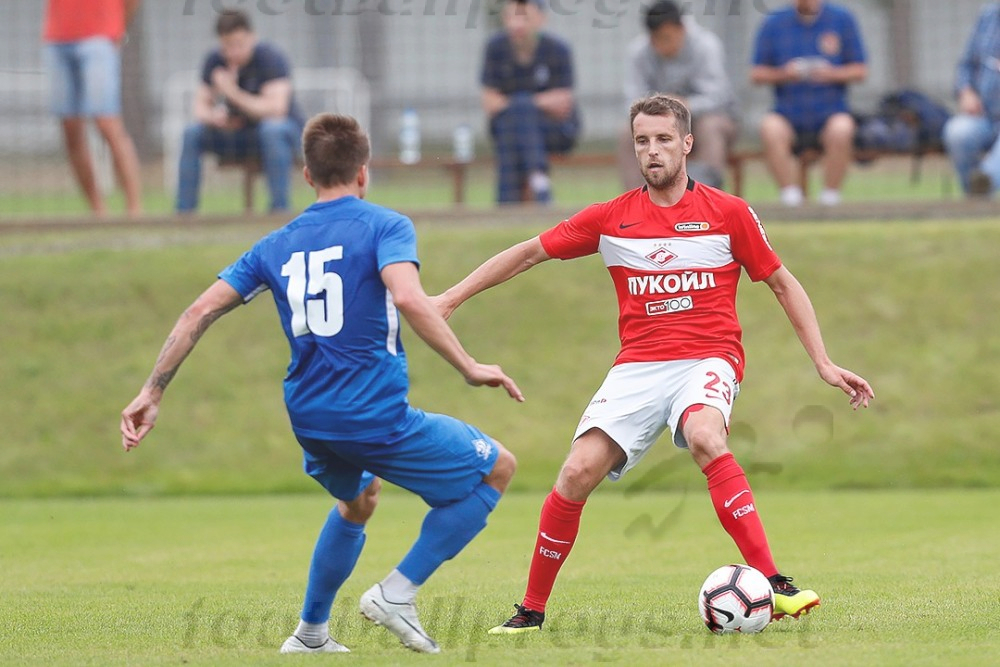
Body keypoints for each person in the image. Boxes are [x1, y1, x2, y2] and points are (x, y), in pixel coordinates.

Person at [433, 95, 874, 634]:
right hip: (638, 368)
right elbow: (528, 253)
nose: (652, 150)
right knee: (575, 473)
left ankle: (773, 582)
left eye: (664, 139)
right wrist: (449, 298)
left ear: (687, 144)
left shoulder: (728, 213)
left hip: (709, 357)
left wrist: (823, 362)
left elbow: (782, 283)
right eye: (642, 141)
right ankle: (530, 612)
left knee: (706, 435)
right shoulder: (610, 219)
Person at [121, 113, 522, 655]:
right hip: (372, 413)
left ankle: (310, 635)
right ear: (364, 171)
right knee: (498, 467)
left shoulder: (275, 244)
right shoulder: (385, 226)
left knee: (359, 500)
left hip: (310, 417)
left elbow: (198, 312)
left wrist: (152, 391)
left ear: (307, 175)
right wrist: (469, 366)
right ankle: (397, 594)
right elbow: (407, 297)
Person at [176, 9, 304, 214]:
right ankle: (184, 213)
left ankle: (279, 210)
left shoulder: (270, 58)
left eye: (239, 44)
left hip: (279, 136)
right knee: (192, 133)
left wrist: (232, 92)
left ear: (252, 37)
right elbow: (199, 109)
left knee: (272, 130)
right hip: (236, 135)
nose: (233, 52)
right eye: (227, 46)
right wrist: (215, 118)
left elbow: (276, 109)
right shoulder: (214, 61)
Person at [749, 0, 868, 207]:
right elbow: (756, 74)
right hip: (788, 110)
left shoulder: (842, 19)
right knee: (770, 127)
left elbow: (860, 70)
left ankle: (830, 196)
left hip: (830, 109)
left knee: (842, 128)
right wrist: (785, 74)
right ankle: (790, 197)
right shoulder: (773, 23)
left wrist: (830, 74)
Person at [619, 0, 739, 191]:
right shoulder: (638, 52)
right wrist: (658, 109)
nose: (661, 46)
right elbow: (631, 100)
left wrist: (684, 105)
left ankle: (704, 199)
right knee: (629, 133)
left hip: (708, 120)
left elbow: (718, 96)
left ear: (681, 28)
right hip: (660, 122)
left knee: (709, 127)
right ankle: (638, 201)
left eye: (667, 38)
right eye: (655, 39)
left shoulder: (706, 45)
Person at [43, 0, 143, 216]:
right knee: (70, 129)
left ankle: (134, 210)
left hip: (100, 37)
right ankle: (98, 211)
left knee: (107, 124)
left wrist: (117, 27)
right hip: (58, 38)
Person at [480, 0, 581, 204]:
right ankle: (539, 180)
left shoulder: (558, 49)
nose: (517, 24)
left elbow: (563, 103)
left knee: (516, 118)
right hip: (507, 131)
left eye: (524, 17)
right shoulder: (495, 48)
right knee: (515, 121)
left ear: (541, 19)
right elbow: (490, 103)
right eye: (511, 17)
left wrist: (518, 104)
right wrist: (536, 103)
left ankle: (505, 205)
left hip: (554, 132)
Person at [943, 2, 1000, 197]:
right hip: (984, 115)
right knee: (958, 132)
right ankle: (976, 194)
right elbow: (965, 65)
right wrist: (966, 92)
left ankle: (984, 182)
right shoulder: (989, 16)